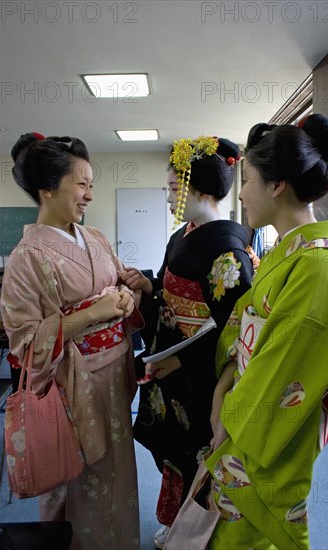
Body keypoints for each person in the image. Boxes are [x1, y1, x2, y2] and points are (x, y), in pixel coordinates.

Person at [206, 114, 328, 549]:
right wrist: (222, 393)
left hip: (271, 427)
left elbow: (287, 369)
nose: (243, 192)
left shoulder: (320, 265)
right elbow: (242, 331)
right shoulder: (287, 252)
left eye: (249, 179)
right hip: (244, 406)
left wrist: (231, 418)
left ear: (277, 185)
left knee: (255, 533)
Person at [0, 132, 142, 549]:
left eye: (91, 186)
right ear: (47, 188)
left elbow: (120, 282)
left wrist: (128, 295)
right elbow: (24, 342)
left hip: (115, 372)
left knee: (118, 473)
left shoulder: (94, 237)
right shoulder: (27, 257)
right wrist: (93, 313)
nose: (88, 196)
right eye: (82, 185)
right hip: (73, 383)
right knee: (77, 476)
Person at [120, 136, 254, 548]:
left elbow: (232, 329)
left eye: (174, 188)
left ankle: (196, 532)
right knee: (173, 452)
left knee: (197, 452)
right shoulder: (183, 236)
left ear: (201, 190)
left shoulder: (230, 253)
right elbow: (167, 291)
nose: (169, 196)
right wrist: (149, 285)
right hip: (169, 358)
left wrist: (181, 361)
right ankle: (175, 521)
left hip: (197, 375)